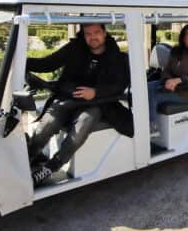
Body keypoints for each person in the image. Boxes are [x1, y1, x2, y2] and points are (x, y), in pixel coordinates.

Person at [25, 23, 132, 186]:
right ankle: (29, 156)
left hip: (99, 103)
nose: (92, 37)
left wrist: (95, 92)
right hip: (69, 98)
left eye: (97, 32)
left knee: (83, 124)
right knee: (47, 124)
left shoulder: (117, 57)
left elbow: (119, 86)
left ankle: (52, 166)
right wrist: (20, 61)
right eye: (88, 34)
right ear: (83, 35)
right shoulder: (75, 48)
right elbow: (47, 63)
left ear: (104, 33)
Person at [148, 23, 188, 126]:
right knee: (145, 88)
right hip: (169, 85)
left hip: (184, 92)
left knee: (153, 96)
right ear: (183, 38)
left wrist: (178, 80)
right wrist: (167, 80)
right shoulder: (176, 51)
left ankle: (152, 126)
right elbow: (166, 70)